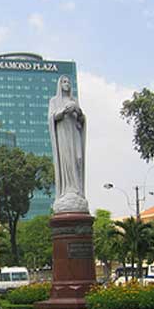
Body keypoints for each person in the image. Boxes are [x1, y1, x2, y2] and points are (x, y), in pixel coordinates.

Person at [49, 75, 88, 213]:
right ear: (60, 85)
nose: (67, 84)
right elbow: (52, 117)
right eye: (64, 82)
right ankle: (67, 190)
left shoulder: (74, 101)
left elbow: (82, 120)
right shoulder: (54, 101)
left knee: (78, 159)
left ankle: (77, 190)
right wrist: (64, 110)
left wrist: (77, 110)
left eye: (69, 82)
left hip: (74, 135)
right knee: (66, 160)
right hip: (63, 137)